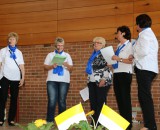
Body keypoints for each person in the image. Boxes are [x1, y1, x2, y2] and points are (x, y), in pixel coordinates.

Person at [132, 14, 159, 130]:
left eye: (136, 24)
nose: (136, 27)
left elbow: (143, 51)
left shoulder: (144, 35)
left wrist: (134, 56)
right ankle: (150, 124)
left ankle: (150, 125)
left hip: (145, 68)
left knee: (145, 97)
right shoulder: (148, 34)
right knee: (143, 96)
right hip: (148, 68)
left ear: (139, 24)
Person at [44, 37, 73, 122]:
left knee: (62, 101)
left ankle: (62, 122)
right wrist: (52, 66)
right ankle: (49, 122)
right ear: (55, 46)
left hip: (64, 80)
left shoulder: (67, 55)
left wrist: (65, 64)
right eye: (58, 45)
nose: (60, 47)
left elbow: (71, 68)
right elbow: (45, 66)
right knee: (52, 101)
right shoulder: (50, 55)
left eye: (62, 45)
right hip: (52, 80)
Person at [86, 37, 112, 125]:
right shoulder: (93, 54)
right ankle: (93, 123)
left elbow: (108, 67)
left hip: (102, 81)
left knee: (100, 103)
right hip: (92, 81)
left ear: (103, 45)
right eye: (94, 43)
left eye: (98, 43)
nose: (95, 44)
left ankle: (100, 124)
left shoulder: (105, 53)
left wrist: (104, 79)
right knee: (93, 103)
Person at [0, 32, 25, 126]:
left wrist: (22, 78)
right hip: (4, 77)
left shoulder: (19, 53)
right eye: (10, 39)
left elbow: (22, 66)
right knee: (2, 98)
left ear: (16, 40)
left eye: (13, 39)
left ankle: (11, 119)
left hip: (16, 78)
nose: (11, 40)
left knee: (14, 99)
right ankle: (1, 119)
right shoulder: (3, 51)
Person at [112, 26, 133, 130]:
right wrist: (111, 63)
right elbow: (117, 60)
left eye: (118, 33)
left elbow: (130, 61)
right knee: (119, 99)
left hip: (125, 74)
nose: (117, 35)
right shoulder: (119, 45)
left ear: (123, 33)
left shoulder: (130, 45)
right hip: (117, 73)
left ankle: (128, 124)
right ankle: (122, 123)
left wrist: (118, 59)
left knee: (125, 99)